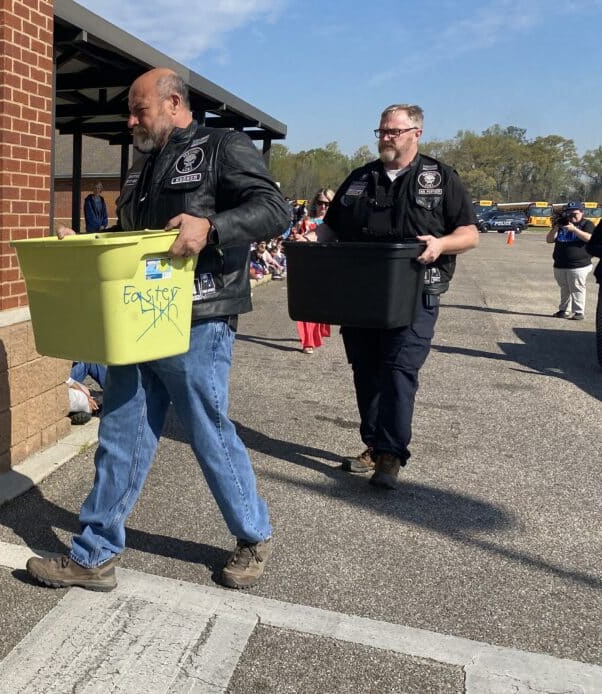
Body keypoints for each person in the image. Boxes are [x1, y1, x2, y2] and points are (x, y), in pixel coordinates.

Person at [25, 67, 289, 592]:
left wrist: (211, 226)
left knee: (207, 430)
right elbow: (133, 240)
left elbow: (274, 210)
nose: (131, 121)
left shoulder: (223, 147)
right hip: (138, 318)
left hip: (199, 318)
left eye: (138, 109)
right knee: (120, 432)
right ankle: (95, 554)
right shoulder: (141, 168)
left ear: (173, 103)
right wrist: (86, 244)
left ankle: (252, 535)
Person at [314, 104, 478, 489]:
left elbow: (469, 234)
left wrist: (441, 244)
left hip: (415, 292)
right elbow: (330, 228)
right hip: (362, 294)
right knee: (366, 369)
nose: (386, 138)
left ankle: (391, 454)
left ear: (416, 133)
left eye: (394, 131)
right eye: (382, 131)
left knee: (399, 369)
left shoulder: (440, 178)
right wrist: (310, 238)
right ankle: (374, 444)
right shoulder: (360, 179)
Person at [288, 189, 335, 353]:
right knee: (305, 303)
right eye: (320, 203)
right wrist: (296, 239)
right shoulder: (306, 222)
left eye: (327, 204)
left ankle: (319, 329)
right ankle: (308, 341)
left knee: (321, 303)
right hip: (307, 266)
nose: (323, 207)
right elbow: (296, 239)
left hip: (328, 267)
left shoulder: (337, 224)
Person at [545, 201, 595, 320]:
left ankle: (578, 312)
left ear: (582, 213)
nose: (572, 216)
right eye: (569, 213)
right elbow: (549, 240)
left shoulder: (587, 224)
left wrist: (574, 229)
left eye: (575, 213)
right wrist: (556, 226)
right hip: (560, 264)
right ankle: (564, 310)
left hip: (579, 264)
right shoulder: (562, 224)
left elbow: (590, 238)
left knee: (577, 288)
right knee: (564, 288)